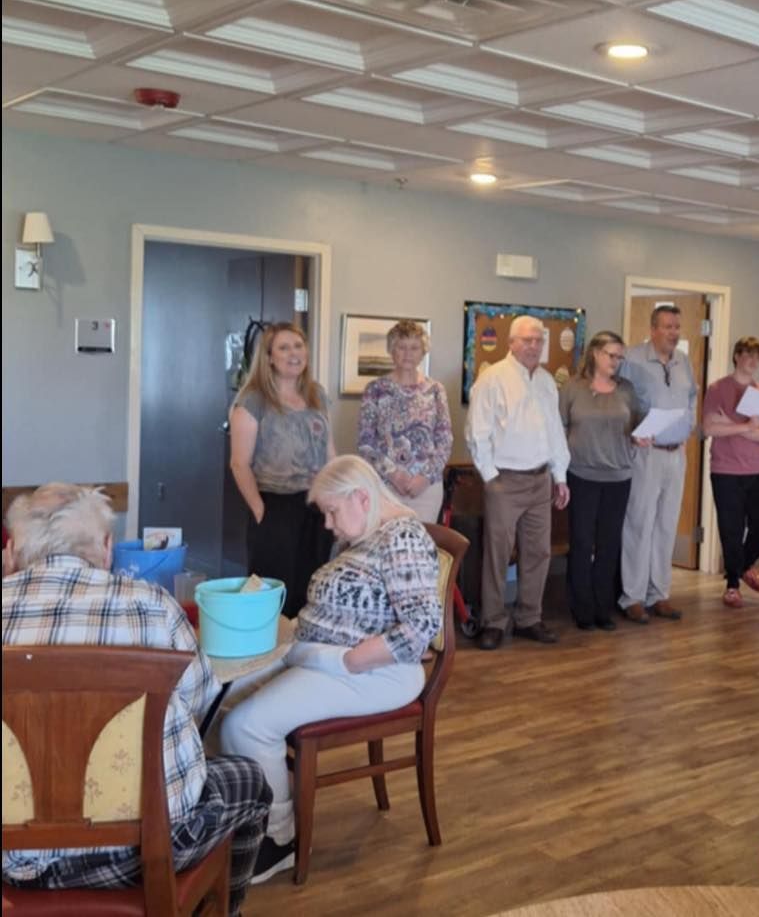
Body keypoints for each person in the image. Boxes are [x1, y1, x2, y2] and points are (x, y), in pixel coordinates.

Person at [2, 484, 270, 913]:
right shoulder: (153, 606)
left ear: (12, 551)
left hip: (10, 858)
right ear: (108, 548)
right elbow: (201, 698)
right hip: (144, 850)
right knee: (250, 782)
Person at [219, 455, 442, 883]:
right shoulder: (366, 530)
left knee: (246, 726)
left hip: (370, 672)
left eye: (331, 512)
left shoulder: (403, 539)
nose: (327, 524)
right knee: (216, 696)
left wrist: (348, 661)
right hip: (320, 655)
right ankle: (240, 816)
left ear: (361, 497)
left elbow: (420, 628)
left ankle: (278, 839)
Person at [465, 316, 570, 650]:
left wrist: (560, 475)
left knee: (538, 554)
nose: (534, 346)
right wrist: (491, 478)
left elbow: (554, 431)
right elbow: (476, 432)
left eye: (539, 341)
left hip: (540, 480)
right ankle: (493, 621)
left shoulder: (546, 382)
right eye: (527, 340)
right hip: (504, 481)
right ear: (511, 342)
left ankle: (528, 618)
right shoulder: (492, 378)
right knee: (497, 555)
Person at [228, 322, 335, 618]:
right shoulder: (253, 401)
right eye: (284, 348)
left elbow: (329, 452)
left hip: (316, 505)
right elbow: (239, 464)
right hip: (274, 504)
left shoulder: (318, 395)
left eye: (298, 346)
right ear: (270, 357)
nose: (293, 354)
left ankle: (303, 657)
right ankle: (269, 659)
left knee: (313, 588)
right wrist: (260, 510)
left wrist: (335, 498)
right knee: (274, 591)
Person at [560, 330, 651, 631]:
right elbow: (559, 429)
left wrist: (641, 438)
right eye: (612, 355)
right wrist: (557, 474)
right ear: (595, 354)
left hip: (619, 476)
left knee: (610, 543)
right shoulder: (574, 387)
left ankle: (603, 608)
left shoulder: (626, 389)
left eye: (620, 357)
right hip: (582, 475)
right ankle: (582, 609)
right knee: (583, 542)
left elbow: (637, 425)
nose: (616, 362)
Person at [618, 304, 699, 624]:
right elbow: (621, 402)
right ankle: (633, 597)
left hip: (676, 454)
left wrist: (688, 425)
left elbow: (691, 397)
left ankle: (659, 594)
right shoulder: (633, 359)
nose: (674, 333)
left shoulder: (682, 361)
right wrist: (636, 429)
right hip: (646, 454)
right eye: (667, 327)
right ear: (653, 329)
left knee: (667, 525)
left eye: (677, 327)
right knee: (639, 523)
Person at [702, 336, 759, 610]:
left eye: (758, 356)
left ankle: (744, 565)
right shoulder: (717, 389)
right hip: (726, 471)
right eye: (747, 354)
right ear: (736, 356)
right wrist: (747, 426)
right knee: (731, 529)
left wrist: (731, 424)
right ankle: (733, 584)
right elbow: (709, 428)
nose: (753, 360)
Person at [357, 318, 454, 524]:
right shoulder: (375, 389)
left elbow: (445, 441)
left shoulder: (436, 390)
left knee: (421, 546)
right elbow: (366, 443)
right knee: (385, 544)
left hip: (427, 488)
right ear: (392, 350)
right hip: (385, 485)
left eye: (414, 348)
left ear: (423, 352)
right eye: (402, 347)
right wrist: (394, 475)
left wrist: (425, 477)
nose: (408, 354)